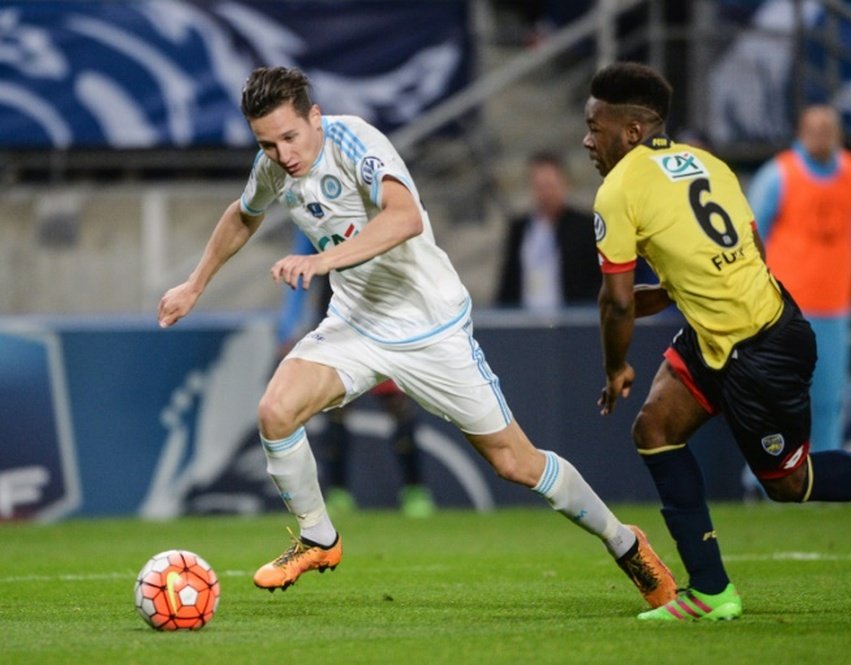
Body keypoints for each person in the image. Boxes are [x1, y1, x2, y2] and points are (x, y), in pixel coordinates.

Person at [157, 66, 676, 608]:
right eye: (268, 142)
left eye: (290, 136)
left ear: (315, 117)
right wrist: (194, 285)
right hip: (357, 322)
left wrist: (325, 260)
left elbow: (403, 217)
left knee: (516, 463)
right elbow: (243, 215)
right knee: (275, 412)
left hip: (431, 326)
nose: (283, 153)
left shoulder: (355, 140)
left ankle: (624, 542)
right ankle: (318, 538)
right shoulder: (272, 165)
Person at [581, 61, 851, 622]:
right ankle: (711, 591)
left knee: (790, 483)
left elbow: (619, 301)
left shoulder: (617, 190)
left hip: (761, 350)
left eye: (595, 126)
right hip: (734, 331)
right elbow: (747, 249)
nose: (586, 139)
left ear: (631, 132)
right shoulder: (709, 164)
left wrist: (616, 368)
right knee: (655, 428)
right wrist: (691, 294)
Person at [278, 228, 435, 518]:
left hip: (383, 321)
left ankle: (415, 490)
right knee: (337, 409)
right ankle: (338, 492)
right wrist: (289, 326)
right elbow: (301, 268)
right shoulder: (316, 212)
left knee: (398, 406)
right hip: (337, 322)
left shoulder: (374, 203)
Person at [746, 104, 851, 458]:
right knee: (777, 395)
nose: (821, 135)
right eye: (813, 128)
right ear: (800, 132)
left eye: (827, 128)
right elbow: (753, 237)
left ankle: (826, 470)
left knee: (830, 398)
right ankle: (764, 476)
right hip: (783, 310)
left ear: (839, 134)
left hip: (834, 308)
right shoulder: (777, 175)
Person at [495, 151, 602, 309]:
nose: (546, 193)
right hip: (527, 320)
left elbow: (595, 280)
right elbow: (509, 281)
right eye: (540, 186)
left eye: (551, 186)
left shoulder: (584, 227)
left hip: (571, 320)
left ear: (564, 184)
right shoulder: (520, 228)